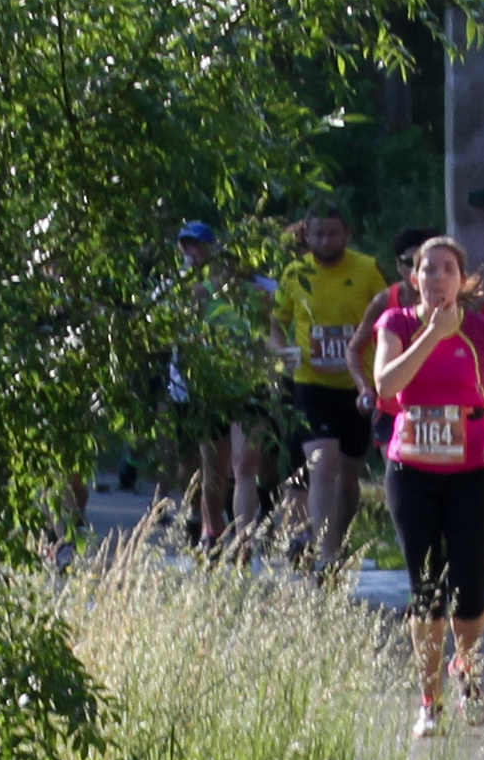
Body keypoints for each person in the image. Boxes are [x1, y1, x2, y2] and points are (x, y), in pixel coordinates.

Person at [365, 236, 484, 739]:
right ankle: (430, 700)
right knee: (426, 592)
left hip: (470, 468)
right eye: (428, 270)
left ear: (462, 279)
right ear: (414, 279)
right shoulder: (398, 324)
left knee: (469, 592)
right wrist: (432, 334)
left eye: (448, 269)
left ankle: (466, 671)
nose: (438, 279)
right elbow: (387, 385)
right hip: (412, 470)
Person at [274, 210, 387, 572]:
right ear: (307, 235)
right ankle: (325, 556)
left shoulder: (367, 269)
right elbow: (277, 323)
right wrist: (281, 352)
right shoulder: (295, 273)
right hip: (312, 384)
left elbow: (390, 315)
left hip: (356, 386)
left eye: (333, 234)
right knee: (322, 464)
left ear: (347, 233)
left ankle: (337, 537)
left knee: (348, 475)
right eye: (319, 234)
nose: (326, 241)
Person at [153, 220, 272, 545]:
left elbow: (273, 337)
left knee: (245, 464)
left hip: (251, 389)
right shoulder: (195, 294)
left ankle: (244, 539)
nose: (228, 271)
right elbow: (165, 335)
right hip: (207, 389)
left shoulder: (261, 295)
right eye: (222, 265)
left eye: (234, 263)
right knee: (212, 469)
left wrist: (273, 367)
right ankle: (210, 527)